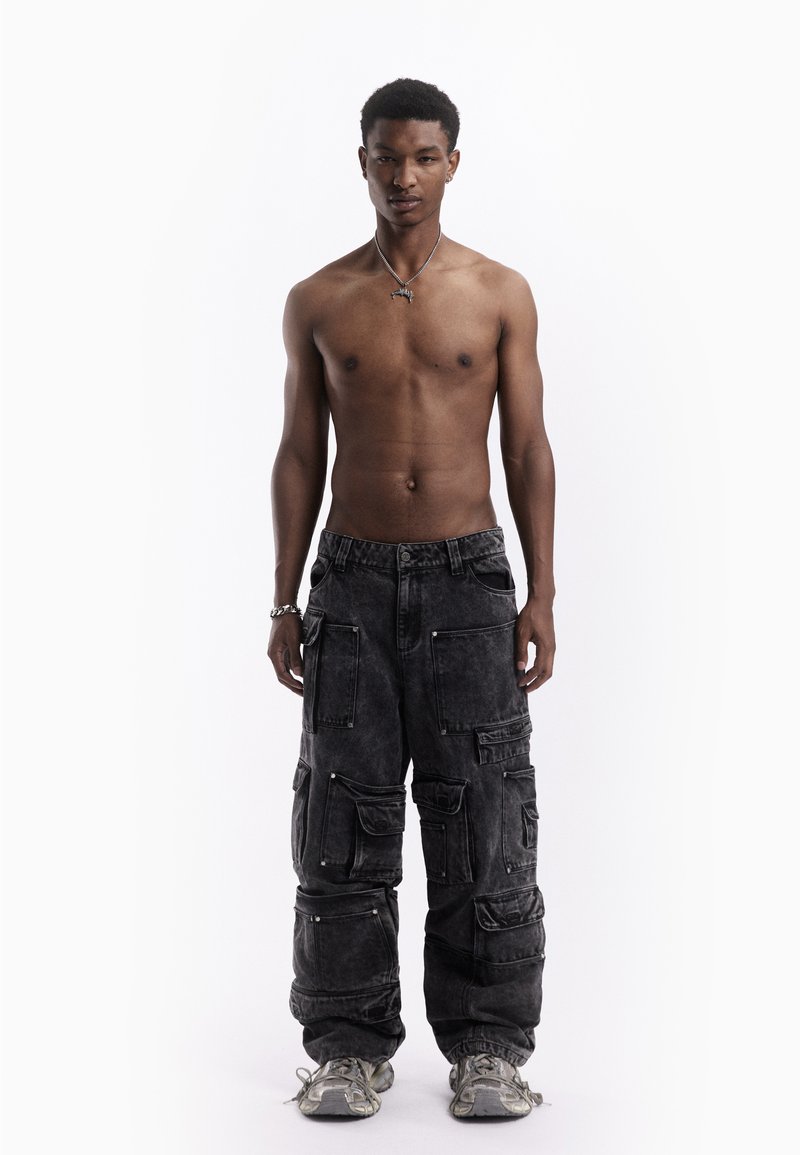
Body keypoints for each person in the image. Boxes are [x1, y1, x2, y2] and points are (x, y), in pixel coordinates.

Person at [268, 77, 556, 1121]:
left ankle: (487, 1048)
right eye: (387, 157)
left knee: (482, 812)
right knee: (343, 815)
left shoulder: (497, 291)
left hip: (466, 579)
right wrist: (282, 600)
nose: (404, 175)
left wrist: (541, 592)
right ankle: (347, 1048)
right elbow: (299, 453)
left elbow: (526, 447)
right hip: (349, 581)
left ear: (452, 164)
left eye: (424, 156)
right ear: (363, 162)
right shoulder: (317, 298)